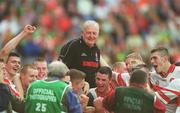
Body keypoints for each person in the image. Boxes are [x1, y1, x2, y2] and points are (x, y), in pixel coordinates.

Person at [94, 69, 166, 113]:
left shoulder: (119, 91)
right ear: (145, 83)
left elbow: (105, 103)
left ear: (130, 80)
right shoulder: (152, 97)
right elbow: (162, 110)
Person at [59, 20, 101, 88]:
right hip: (73, 89)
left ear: (98, 34)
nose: (91, 36)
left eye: (94, 33)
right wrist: (80, 82)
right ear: (82, 33)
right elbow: (60, 67)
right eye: (88, 33)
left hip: (90, 92)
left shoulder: (97, 50)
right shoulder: (73, 45)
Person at [150, 47, 180, 113]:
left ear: (165, 59)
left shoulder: (178, 72)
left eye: (155, 58)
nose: (152, 61)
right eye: (151, 59)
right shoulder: (151, 76)